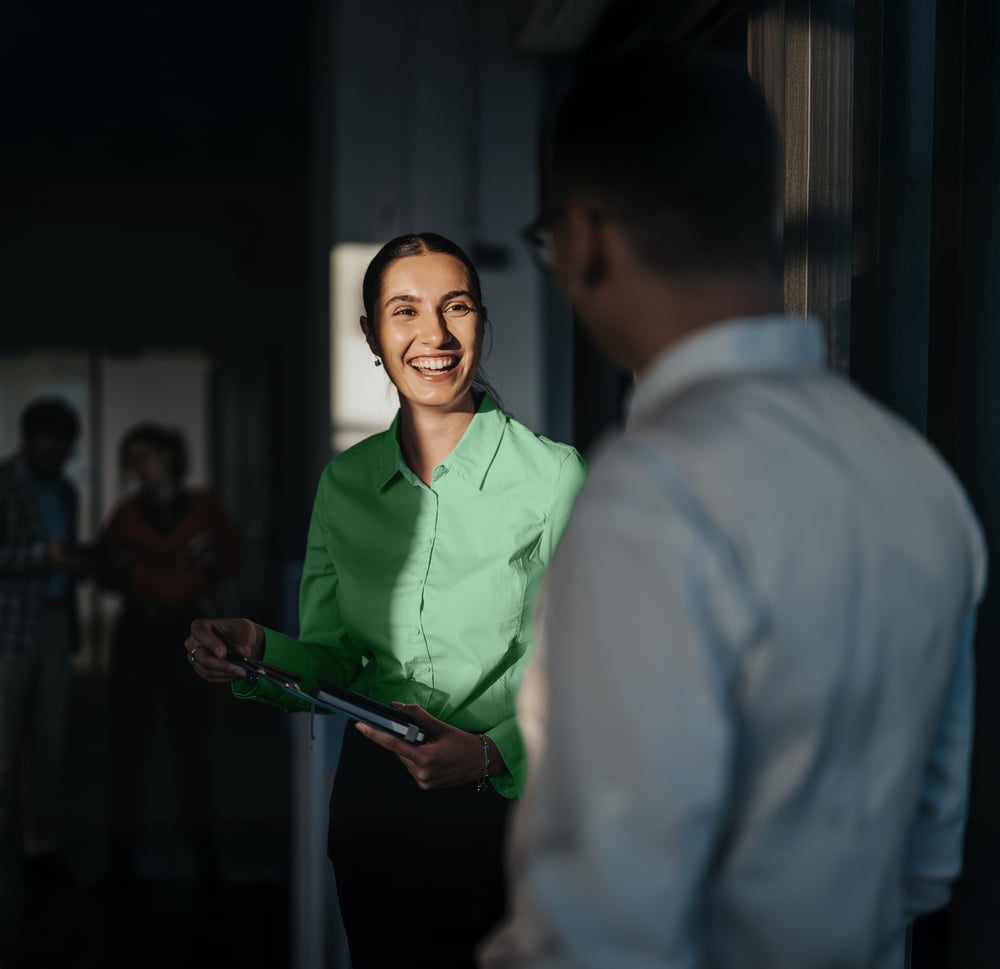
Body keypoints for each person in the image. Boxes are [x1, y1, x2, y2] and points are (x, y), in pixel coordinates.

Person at [478, 49, 987, 969]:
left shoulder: (653, 493)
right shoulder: (916, 476)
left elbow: (599, 929)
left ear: (586, 236)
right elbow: (926, 861)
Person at [184, 231, 588, 968]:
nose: (433, 334)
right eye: (405, 311)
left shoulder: (556, 478)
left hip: (511, 810)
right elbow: (338, 658)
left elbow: (600, 674)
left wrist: (491, 751)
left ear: (481, 321)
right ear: (372, 334)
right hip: (377, 808)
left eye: (456, 307)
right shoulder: (346, 485)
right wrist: (257, 649)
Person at [96, 422, 240, 894]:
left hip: (189, 628)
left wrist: (203, 563)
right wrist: (121, 564)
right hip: (139, 629)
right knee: (126, 747)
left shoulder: (203, 508)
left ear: (170, 458)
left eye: (146, 456)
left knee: (192, 745)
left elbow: (229, 558)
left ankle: (204, 853)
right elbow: (107, 575)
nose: (139, 466)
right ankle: (120, 857)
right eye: (132, 459)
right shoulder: (126, 513)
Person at [0, 396, 90, 958]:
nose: (56, 454)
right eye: (48, 444)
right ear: (28, 439)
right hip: (8, 628)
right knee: (5, 750)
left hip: (56, 625)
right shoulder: (3, 483)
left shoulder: (66, 490)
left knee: (50, 743)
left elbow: (68, 558)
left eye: (64, 446)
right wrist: (44, 554)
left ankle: (39, 845)